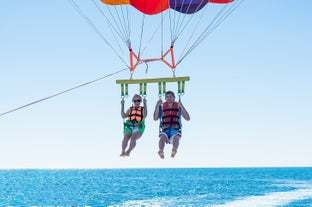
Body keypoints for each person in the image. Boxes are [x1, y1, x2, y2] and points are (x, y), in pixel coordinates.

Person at [153, 91, 190, 159]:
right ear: (165, 98)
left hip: (175, 129)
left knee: (177, 138)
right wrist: (157, 106)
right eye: (167, 97)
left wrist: (181, 106)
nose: (169, 98)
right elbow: (155, 118)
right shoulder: (162, 106)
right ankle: (161, 151)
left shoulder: (178, 106)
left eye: (170, 96)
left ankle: (174, 150)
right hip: (165, 128)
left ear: (174, 97)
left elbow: (187, 118)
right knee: (162, 138)